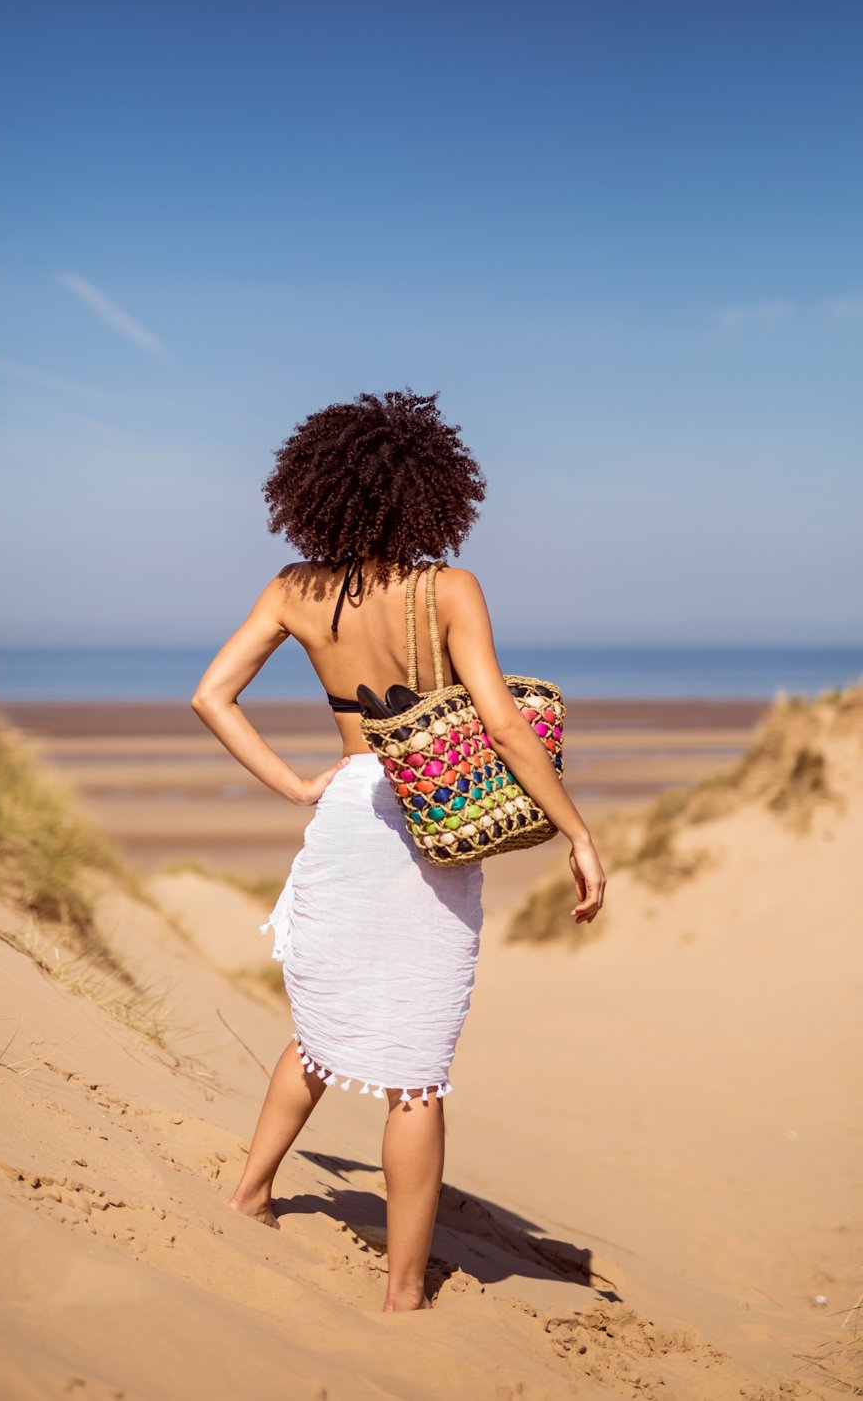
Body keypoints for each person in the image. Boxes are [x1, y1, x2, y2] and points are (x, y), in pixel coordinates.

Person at [190, 387, 606, 1313]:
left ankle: (251, 1192)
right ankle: (405, 1294)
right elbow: (498, 723)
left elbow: (211, 696)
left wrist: (299, 785)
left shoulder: (294, 588)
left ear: (319, 489)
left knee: (320, 1029)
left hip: (345, 813)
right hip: (431, 826)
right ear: (428, 491)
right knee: (415, 1071)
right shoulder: (448, 589)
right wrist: (576, 833)